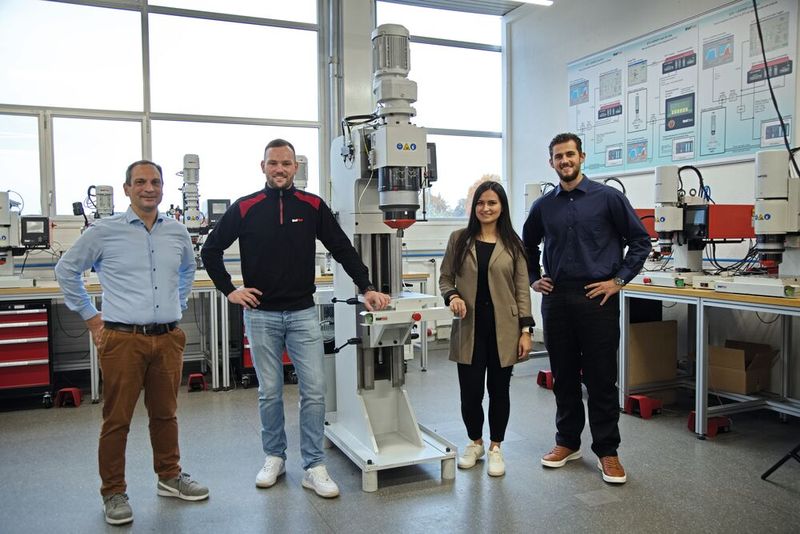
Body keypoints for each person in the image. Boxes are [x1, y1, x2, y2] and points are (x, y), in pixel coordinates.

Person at [200, 138, 390, 499]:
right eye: (273, 163)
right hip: (261, 316)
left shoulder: (312, 205)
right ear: (263, 167)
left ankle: (314, 466)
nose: (280, 169)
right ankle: (274, 457)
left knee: (314, 391)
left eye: (286, 163)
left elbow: (342, 248)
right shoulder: (245, 207)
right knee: (269, 392)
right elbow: (211, 250)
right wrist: (230, 290)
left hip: (303, 313)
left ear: (295, 167)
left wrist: (366, 286)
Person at [55, 160, 208, 526]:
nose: (148, 188)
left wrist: (178, 303)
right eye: (140, 182)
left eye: (154, 182)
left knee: (165, 414)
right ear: (127, 189)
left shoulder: (177, 232)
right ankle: (113, 491)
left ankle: (169, 476)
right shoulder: (104, 231)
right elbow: (66, 270)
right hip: (122, 339)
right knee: (117, 419)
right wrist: (92, 318)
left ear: (163, 188)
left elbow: (188, 269)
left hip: (167, 339)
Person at [522, 133, 650, 484]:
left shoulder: (608, 198)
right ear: (551, 162)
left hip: (598, 298)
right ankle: (567, 442)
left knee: (600, 378)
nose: (564, 161)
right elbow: (527, 246)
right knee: (563, 376)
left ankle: (607, 451)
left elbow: (640, 241)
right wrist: (534, 277)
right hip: (558, 298)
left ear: (581, 157)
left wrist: (618, 280)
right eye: (558, 156)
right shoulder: (543, 206)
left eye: (570, 154)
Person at [439, 181, 534, 477]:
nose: (486, 208)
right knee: (470, 392)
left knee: (499, 391)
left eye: (492, 202)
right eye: (481, 202)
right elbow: (445, 278)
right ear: (474, 207)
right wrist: (453, 297)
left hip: (504, 329)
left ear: (502, 207)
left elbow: (522, 290)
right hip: (469, 328)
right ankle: (475, 443)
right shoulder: (459, 239)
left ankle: (495, 447)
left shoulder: (513, 244)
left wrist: (526, 331)